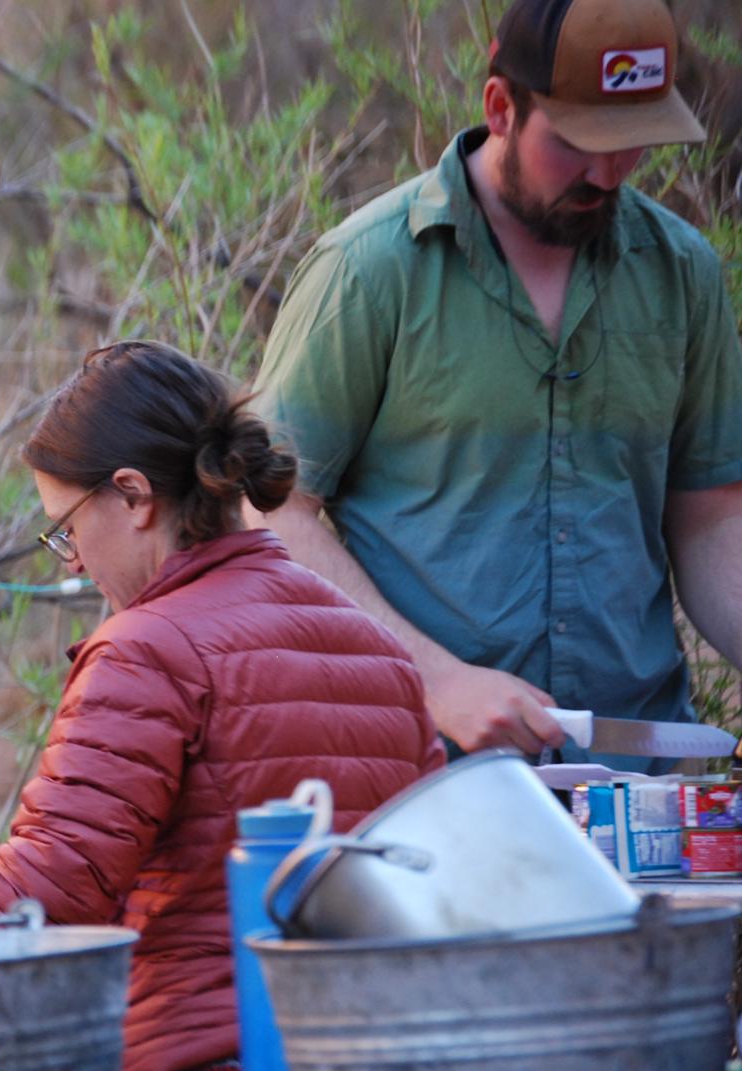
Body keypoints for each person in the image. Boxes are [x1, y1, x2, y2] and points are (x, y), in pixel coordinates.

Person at [0, 341, 444, 1071]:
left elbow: (50, 888)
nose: (73, 565)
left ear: (133, 496)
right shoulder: (376, 647)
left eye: (67, 531)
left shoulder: (145, 648)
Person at [253, 0, 742, 765]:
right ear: (500, 107)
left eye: (633, 145)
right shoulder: (369, 270)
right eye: (580, 142)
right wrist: (436, 679)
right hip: (424, 771)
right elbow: (272, 514)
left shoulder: (682, 273)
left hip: (635, 775)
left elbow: (711, 519)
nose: (607, 173)